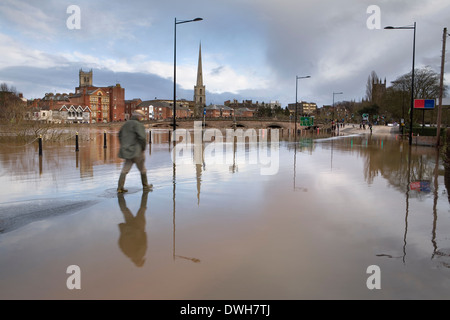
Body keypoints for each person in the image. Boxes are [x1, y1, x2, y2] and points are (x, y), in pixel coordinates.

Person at [117, 109, 152, 193]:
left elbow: (119, 135)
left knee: (125, 169)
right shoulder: (138, 125)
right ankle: (145, 186)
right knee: (142, 169)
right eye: (142, 117)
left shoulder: (126, 124)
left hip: (127, 151)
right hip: (137, 151)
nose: (142, 119)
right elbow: (142, 138)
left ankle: (120, 188)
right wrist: (143, 148)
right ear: (139, 116)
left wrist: (124, 144)